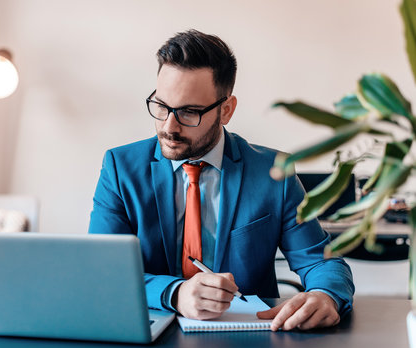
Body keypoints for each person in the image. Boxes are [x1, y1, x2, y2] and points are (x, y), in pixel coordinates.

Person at [88, 29, 354, 331]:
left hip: (246, 340)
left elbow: (321, 261)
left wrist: (325, 294)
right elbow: (102, 271)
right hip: (142, 332)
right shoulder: (120, 168)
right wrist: (175, 293)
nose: (168, 126)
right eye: (161, 106)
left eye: (189, 112)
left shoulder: (275, 173)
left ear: (225, 110)